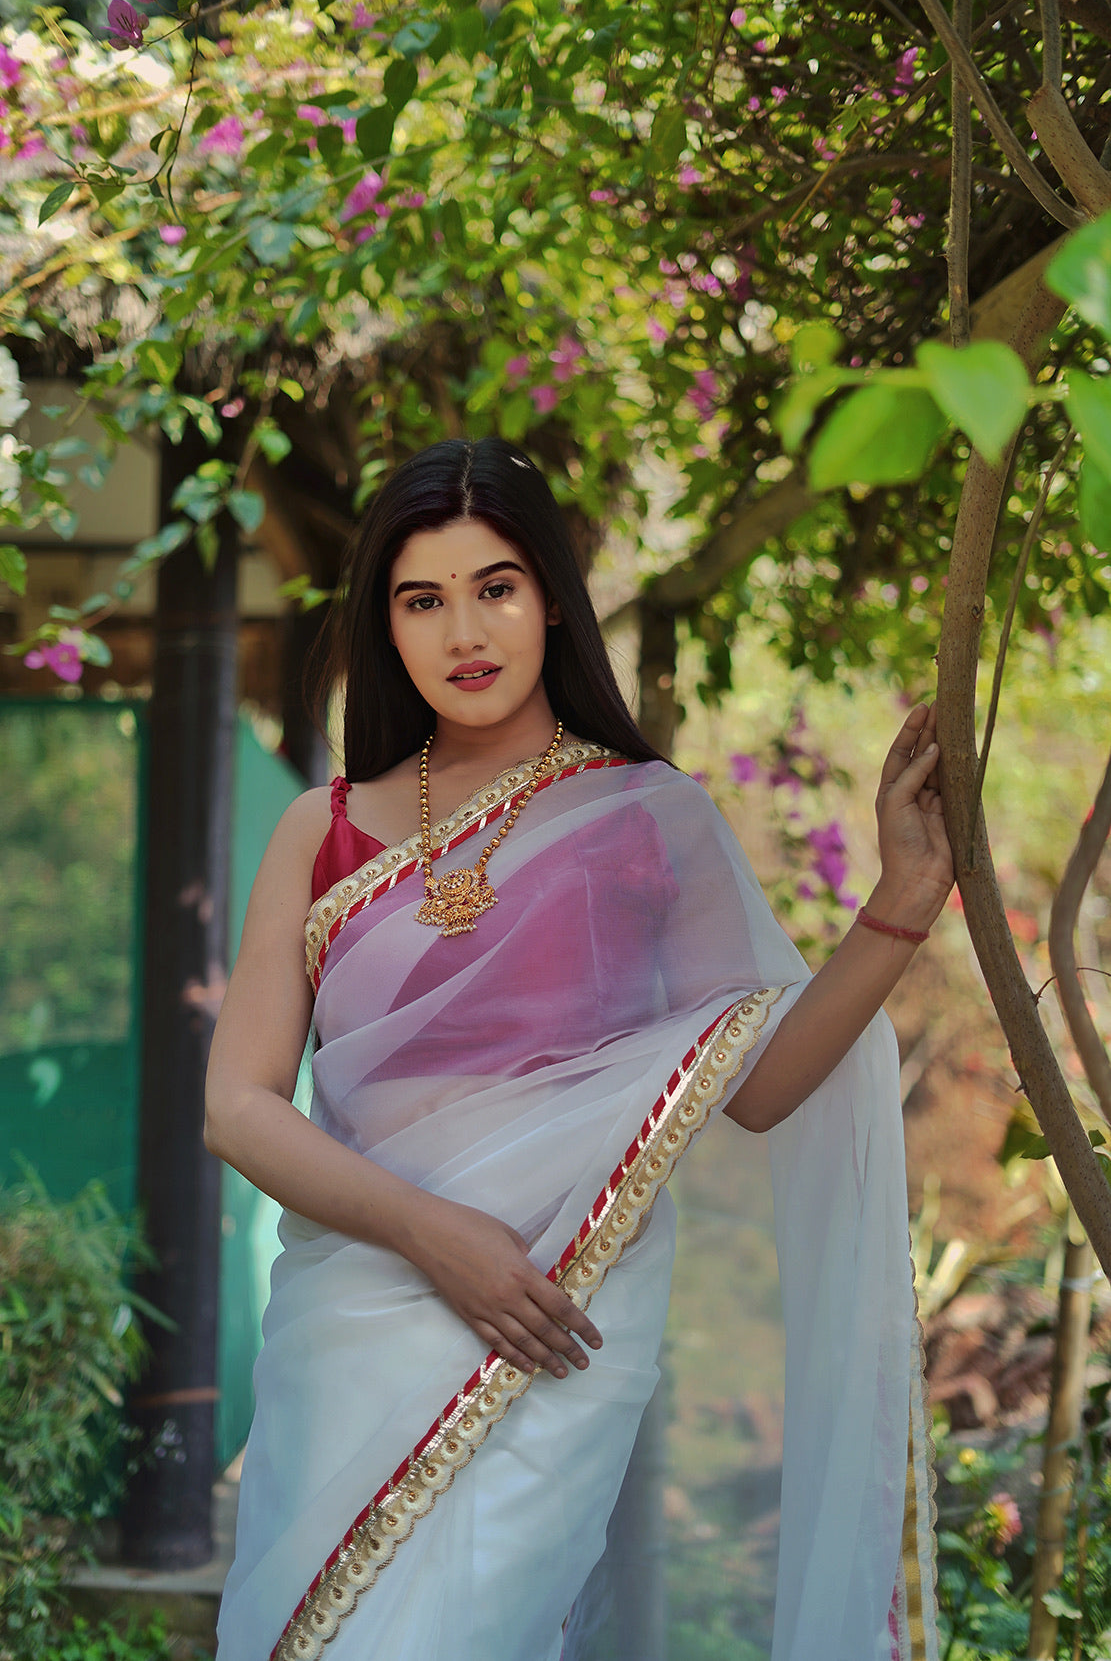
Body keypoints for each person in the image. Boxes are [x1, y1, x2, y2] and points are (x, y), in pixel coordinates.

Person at [205, 436, 952, 1661]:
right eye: (422, 598)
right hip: (356, 1322)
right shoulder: (322, 831)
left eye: (494, 586)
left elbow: (755, 1086)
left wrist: (902, 899)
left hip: (554, 1313)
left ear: (549, 597)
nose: (463, 630)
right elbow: (237, 1107)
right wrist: (429, 1231)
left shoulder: (649, 819)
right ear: (383, 627)